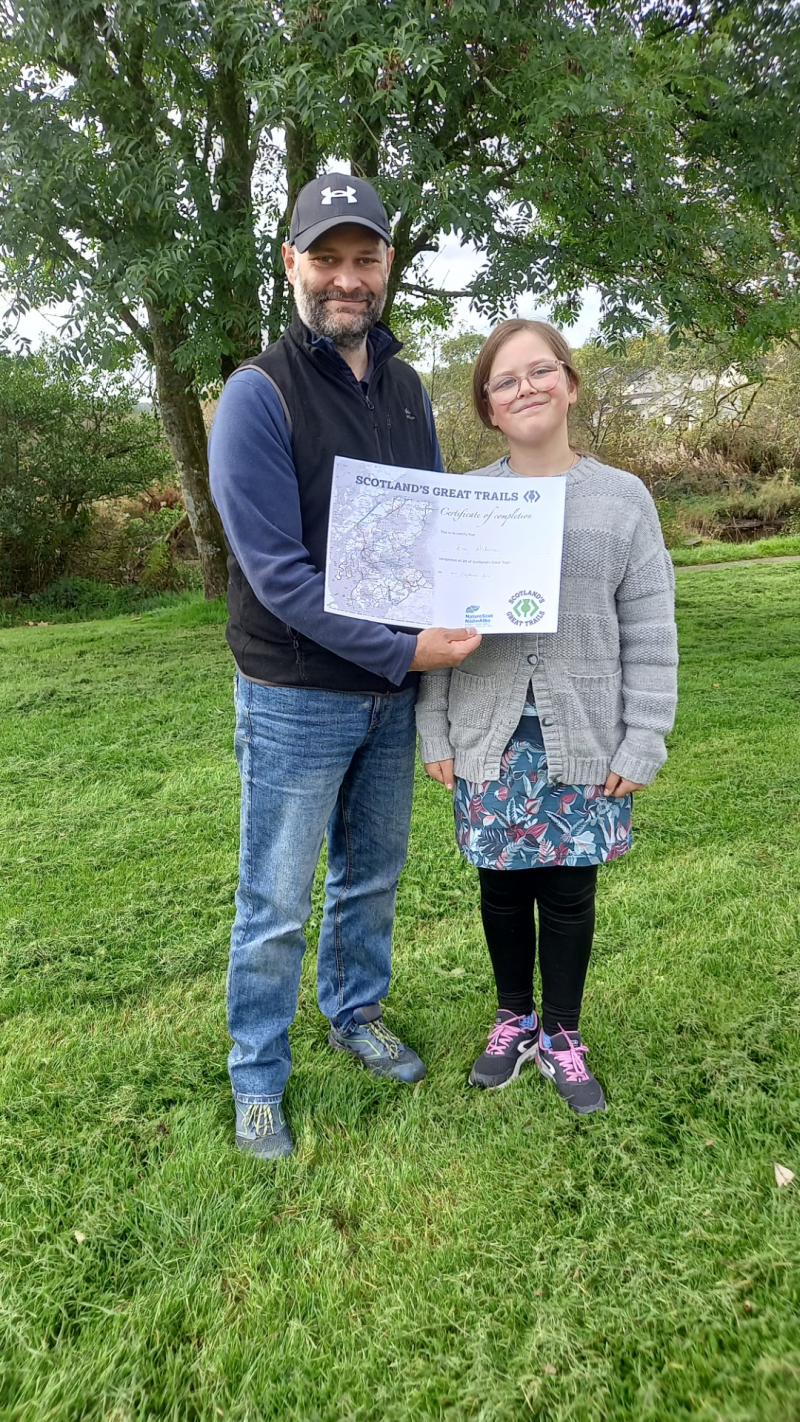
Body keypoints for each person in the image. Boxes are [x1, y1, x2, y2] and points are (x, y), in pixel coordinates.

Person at [209, 174, 481, 1160]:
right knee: (276, 901)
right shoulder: (256, 395)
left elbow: (433, 531)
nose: (346, 279)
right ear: (292, 266)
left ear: (387, 269)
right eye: (326, 258)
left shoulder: (406, 390)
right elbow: (278, 576)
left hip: (390, 692)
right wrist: (402, 648)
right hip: (294, 695)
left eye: (364, 259)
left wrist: (467, 603)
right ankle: (255, 1079)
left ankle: (353, 1011)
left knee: (371, 878)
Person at [416, 319, 678, 1114]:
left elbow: (651, 627)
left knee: (568, 893)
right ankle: (513, 1019)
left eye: (540, 371)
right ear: (488, 407)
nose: (525, 387)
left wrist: (645, 736)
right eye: (505, 380)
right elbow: (437, 624)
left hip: (586, 738)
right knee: (502, 888)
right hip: (488, 736)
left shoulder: (623, 499)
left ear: (569, 384)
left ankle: (562, 1031)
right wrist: (434, 728)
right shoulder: (466, 503)